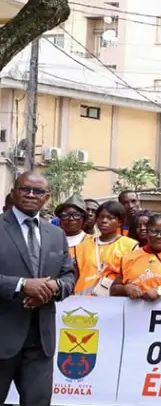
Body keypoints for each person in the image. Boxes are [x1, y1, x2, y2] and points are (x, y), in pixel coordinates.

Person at [0, 172, 76, 405]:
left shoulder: (56, 234)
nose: (31, 195)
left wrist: (53, 287)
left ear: (47, 197)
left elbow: (69, 275)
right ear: (14, 192)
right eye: (25, 189)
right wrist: (22, 285)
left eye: (38, 191)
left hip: (41, 341)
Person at [71, 201, 137, 296]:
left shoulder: (130, 246)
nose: (104, 221)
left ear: (120, 222)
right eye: (101, 217)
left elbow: (132, 277)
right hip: (82, 301)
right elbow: (75, 276)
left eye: (110, 218)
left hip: (112, 302)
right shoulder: (82, 245)